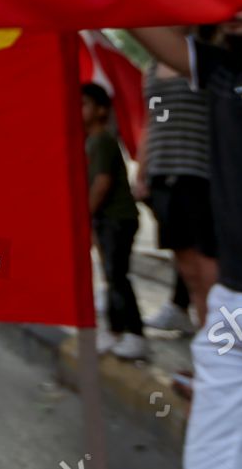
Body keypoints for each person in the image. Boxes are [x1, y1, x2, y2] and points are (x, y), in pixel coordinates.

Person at [132, 0, 242, 469]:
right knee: (214, 459)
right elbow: (129, 6)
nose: (235, 2)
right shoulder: (222, 69)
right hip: (232, 302)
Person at [131, 55, 217, 331]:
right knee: (190, 271)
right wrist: (143, 171)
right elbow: (154, 119)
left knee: (209, 273)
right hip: (163, 176)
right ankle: (204, 343)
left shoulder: (209, 60)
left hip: (200, 174)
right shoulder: (154, 69)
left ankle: (221, 351)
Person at [82, 83, 149, 361]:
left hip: (117, 219)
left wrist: (84, 215)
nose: (78, 110)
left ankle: (134, 333)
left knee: (117, 276)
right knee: (111, 276)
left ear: (101, 110)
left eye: (83, 104)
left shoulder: (102, 140)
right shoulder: (91, 140)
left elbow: (102, 183)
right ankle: (114, 329)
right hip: (109, 220)